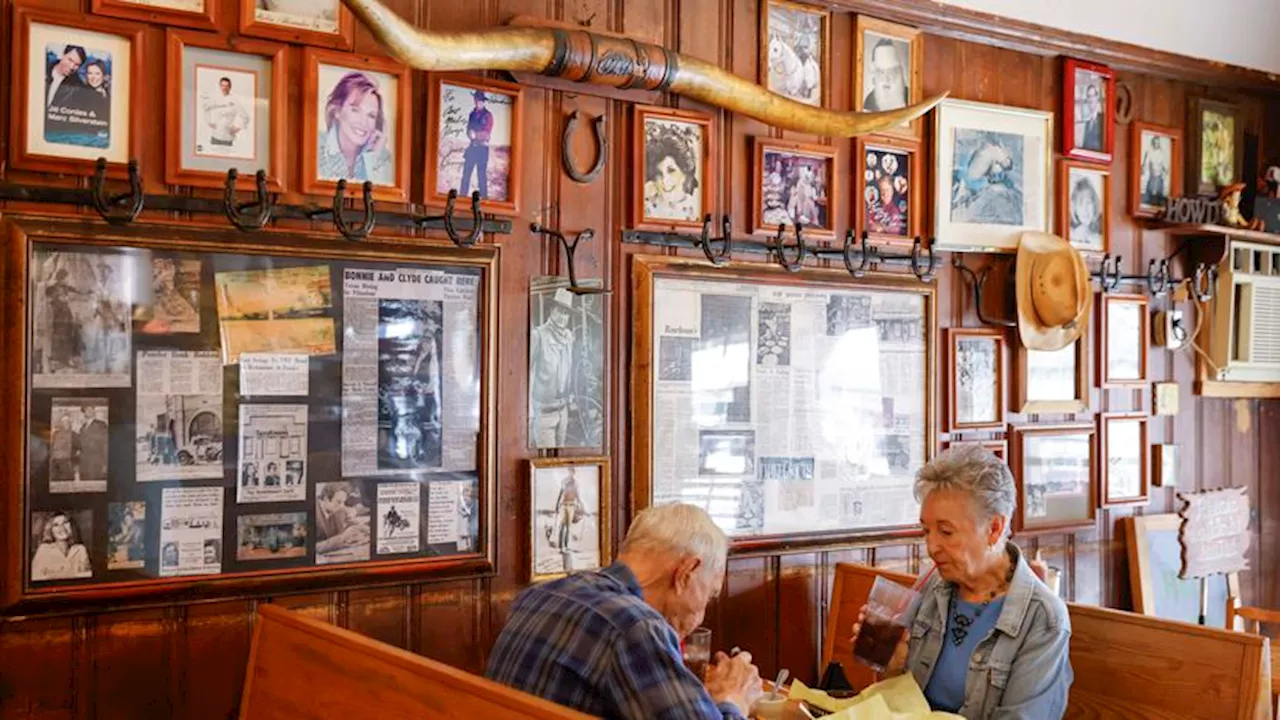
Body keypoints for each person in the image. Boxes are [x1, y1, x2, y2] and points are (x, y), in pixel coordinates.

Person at [850, 445, 1072, 718]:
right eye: (926, 530)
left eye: (946, 532)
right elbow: (896, 708)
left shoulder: (1043, 619)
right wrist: (893, 665)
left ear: (994, 528)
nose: (932, 546)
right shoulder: (931, 586)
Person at [487, 503, 764, 719]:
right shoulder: (635, 628)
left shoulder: (539, 595)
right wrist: (733, 699)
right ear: (685, 573)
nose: (702, 614)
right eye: (710, 594)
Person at [317, 71, 391, 184]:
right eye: (355, 110)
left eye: (371, 115)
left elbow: (381, 195)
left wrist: (373, 156)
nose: (363, 122)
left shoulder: (382, 156)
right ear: (337, 111)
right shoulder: (315, 146)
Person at [529, 288, 575, 447]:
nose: (563, 317)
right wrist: (529, 412)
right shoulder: (538, 335)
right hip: (543, 412)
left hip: (563, 411)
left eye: (566, 313)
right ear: (551, 310)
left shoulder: (569, 337)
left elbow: (569, 368)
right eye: (559, 311)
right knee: (546, 462)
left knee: (559, 459)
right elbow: (525, 373)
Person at [644, 132, 700, 221]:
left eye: (671, 171)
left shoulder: (696, 210)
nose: (665, 181)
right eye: (659, 174)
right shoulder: (646, 210)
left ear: (684, 172)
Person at [31, 512, 92, 581]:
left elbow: (87, 577)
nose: (62, 527)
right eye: (56, 525)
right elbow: (35, 577)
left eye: (65, 522)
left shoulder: (81, 549)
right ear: (50, 529)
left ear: (71, 526)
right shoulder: (43, 550)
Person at [202, 76, 250, 152]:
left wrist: (238, 128)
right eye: (222, 85)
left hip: (227, 137)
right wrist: (209, 122)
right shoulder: (216, 98)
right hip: (215, 136)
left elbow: (245, 116)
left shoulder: (234, 101)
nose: (224, 88)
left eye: (227, 86)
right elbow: (206, 109)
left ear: (230, 87)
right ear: (220, 86)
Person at [459, 89, 493, 198]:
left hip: (482, 149)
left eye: (481, 100)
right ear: (475, 100)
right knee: (466, 175)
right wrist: (470, 134)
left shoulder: (488, 115)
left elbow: (487, 134)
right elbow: (468, 129)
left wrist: (476, 135)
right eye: (478, 100)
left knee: (481, 177)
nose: (479, 102)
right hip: (472, 148)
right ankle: (462, 197)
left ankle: (484, 201)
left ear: (484, 101)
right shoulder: (471, 114)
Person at [863, 38, 907, 111]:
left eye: (892, 71)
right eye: (881, 72)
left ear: (901, 71)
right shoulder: (869, 103)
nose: (886, 79)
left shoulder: (911, 97)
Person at [1078, 82, 1103, 151]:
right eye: (1089, 96)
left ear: (1097, 97)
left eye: (1093, 96)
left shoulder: (1102, 119)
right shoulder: (1087, 123)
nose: (1091, 99)